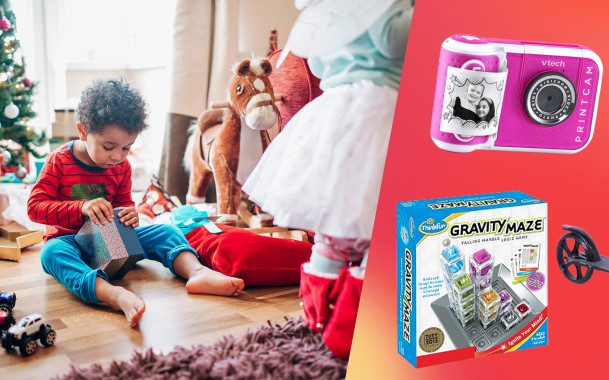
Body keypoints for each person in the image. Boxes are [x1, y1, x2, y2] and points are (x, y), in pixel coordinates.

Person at [242, 0, 413, 360]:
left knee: (334, 232)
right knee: (381, 230)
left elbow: (317, 63)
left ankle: (318, 320)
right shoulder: (390, 6)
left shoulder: (327, 13)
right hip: (380, 109)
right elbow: (391, 40)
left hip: (330, 113)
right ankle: (357, 329)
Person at [27, 79, 245, 327]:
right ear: (82, 131)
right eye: (109, 147)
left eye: (126, 147)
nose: (117, 156)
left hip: (110, 242)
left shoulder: (121, 166)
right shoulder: (58, 162)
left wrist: (128, 215)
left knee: (166, 230)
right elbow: (35, 208)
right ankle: (112, 294)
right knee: (51, 254)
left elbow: (123, 205)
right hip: (70, 242)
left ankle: (197, 272)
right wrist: (81, 207)